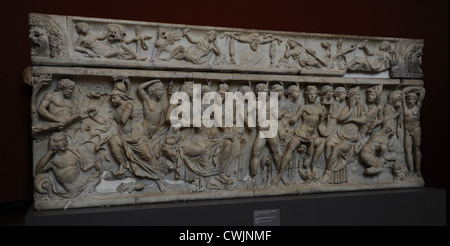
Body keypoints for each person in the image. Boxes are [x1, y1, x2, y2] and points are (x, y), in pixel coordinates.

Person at [107, 78, 167, 193]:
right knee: (112, 141)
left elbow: (123, 120)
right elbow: (140, 88)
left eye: (114, 98)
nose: (112, 101)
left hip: (136, 135)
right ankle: (123, 166)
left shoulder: (129, 105)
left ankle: (158, 180)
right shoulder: (145, 101)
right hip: (125, 136)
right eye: (160, 90)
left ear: (121, 96)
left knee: (149, 157)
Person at [272, 85, 328, 185]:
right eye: (310, 94)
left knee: (322, 142)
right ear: (306, 96)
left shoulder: (319, 109)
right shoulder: (303, 107)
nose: (312, 95)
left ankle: (313, 165)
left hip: (312, 136)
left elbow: (320, 124)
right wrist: (287, 116)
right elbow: (294, 120)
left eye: (314, 94)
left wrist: (324, 126)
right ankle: (279, 174)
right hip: (300, 134)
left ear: (316, 96)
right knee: (290, 147)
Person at [321, 86, 366, 184]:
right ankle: (331, 164)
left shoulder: (361, 108)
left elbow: (364, 120)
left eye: (358, 95)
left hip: (350, 140)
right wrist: (351, 109)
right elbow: (340, 118)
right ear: (351, 98)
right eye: (356, 95)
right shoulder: (346, 108)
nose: (358, 97)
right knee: (328, 144)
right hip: (340, 135)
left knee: (336, 148)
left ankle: (328, 172)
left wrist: (352, 119)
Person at [34, 132, 102, 198]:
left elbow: (84, 168)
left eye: (65, 140)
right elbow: (39, 170)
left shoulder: (73, 153)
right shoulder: (54, 161)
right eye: (60, 140)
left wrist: (94, 164)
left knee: (103, 184)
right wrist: (50, 151)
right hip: (75, 189)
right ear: (54, 144)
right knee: (100, 196)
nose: (64, 142)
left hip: (86, 181)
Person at [402, 86, 425, 177]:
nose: (410, 101)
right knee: (407, 150)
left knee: (416, 149)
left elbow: (423, 91)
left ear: (415, 100)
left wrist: (414, 89)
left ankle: (418, 170)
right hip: (407, 130)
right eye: (409, 99)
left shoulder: (417, 107)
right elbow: (403, 91)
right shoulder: (405, 107)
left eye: (412, 99)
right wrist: (411, 90)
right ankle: (411, 170)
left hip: (416, 129)